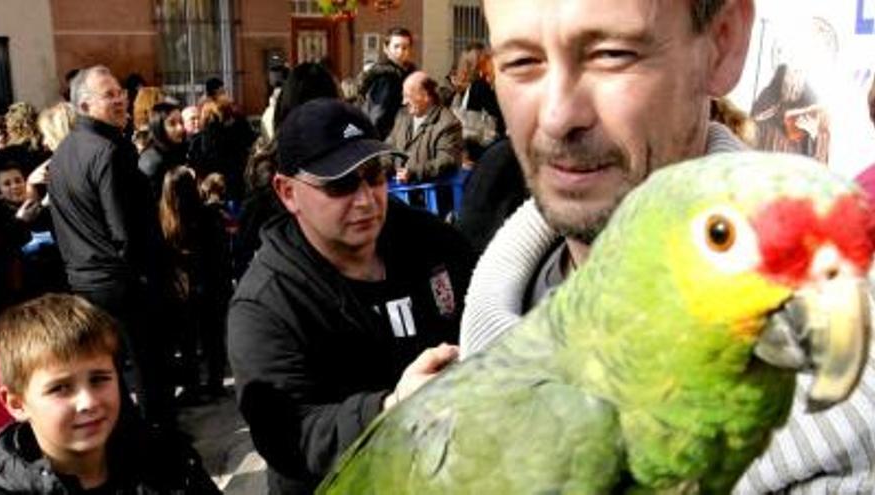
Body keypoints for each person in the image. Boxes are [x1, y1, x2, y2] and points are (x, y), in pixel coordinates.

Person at [461, 0, 875, 493]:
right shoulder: (493, 313)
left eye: (612, 54)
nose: (556, 116)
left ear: (722, 43)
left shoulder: (843, 390)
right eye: (521, 62)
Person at [227, 98, 474, 494]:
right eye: (339, 184)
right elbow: (288, 434)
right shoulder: (266, 304)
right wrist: (389, 410)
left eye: (375, 176)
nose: (365, 200)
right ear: (288, 192)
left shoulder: (432, 241)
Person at [47, 65, 175, 430]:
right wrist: (148, 279)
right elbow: (125, 232)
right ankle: (159, 449)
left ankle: (129, 440)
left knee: (109, 373)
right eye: (110, 95)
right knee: (148, 371)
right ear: (84, 105)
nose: (121, 100)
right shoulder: (107, 151)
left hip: (85, 284)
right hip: (121, 284)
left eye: (120, 92)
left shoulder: (65, 152)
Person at [0, 293, 221, 494]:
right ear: (17, 404)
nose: (88, 402)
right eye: (60, 388)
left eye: (99, 379)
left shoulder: (167, 459)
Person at [160, 166, 231, 403]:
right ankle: (215, 383)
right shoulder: (207, 216)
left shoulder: (163, 220)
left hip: (181, 289)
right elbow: (219, 253)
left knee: (188, 342)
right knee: (213, 338)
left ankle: (192, 387)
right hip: (209, 284)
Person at [388, 71, 463, 184]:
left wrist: (414, 172)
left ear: (426, 96)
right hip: (398, 191)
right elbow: (388, 148)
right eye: (403, 96)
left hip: (427, 195)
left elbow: (448, 161)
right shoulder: (402, 117)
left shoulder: (448, 123)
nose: (404, 102)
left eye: (408, 96)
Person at [358, 27, 416, 139]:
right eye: (396, 47)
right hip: (386, 137)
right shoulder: (386, 77)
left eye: (405, 47)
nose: (400, 52)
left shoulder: (407, 73)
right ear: (386, 48)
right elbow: (377, 113)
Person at [138, 102, 187, 200]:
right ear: (159, 126)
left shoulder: (176, 151)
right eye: (172, 124)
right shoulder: (153, 161)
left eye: (181, 122)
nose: (180, 128)